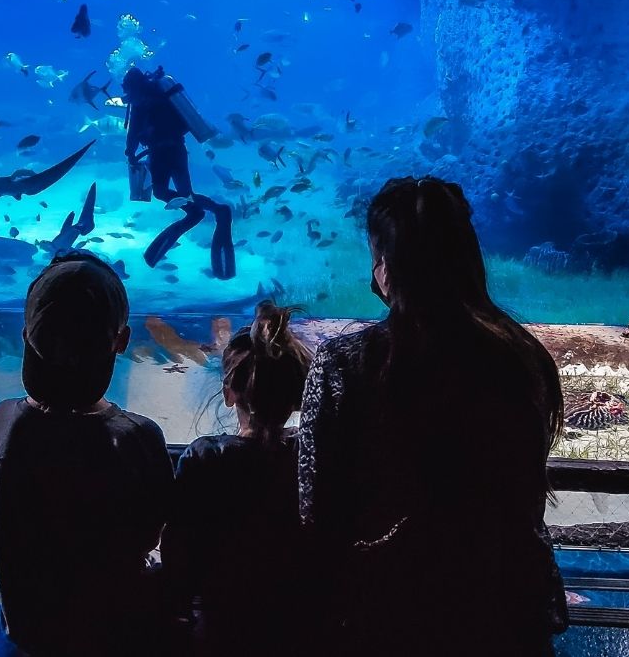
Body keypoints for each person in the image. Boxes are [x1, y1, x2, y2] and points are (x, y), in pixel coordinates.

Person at [298, 176, 568, 657]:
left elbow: (316, 508)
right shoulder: (522, 358)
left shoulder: (345, 364)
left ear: (386, 266)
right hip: (502, 608)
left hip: (386, 609)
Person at [0, 251, 174, 657]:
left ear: (26, 334)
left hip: (28, 623)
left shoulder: (3, 422)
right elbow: (151, 531)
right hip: (113, 625)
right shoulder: (140, 437)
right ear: (121, 341)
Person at [161, 301, 312, 657]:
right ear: (298, 393)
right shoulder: (314, 456)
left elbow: (178, 557)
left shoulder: (205, 458)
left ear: (229, 393)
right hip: (302, 627)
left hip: (220, 628)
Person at [121, 66, 235, 280]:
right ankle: (211, 211)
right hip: (177, 149)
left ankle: (207, 211)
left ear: (133, 85)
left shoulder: (140, 102)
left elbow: (134, 130)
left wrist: (130, 153)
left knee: (162, 192)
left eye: (126, 87)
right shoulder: (159, 93)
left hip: (159, 152)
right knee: (181, 193)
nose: (126, 92)